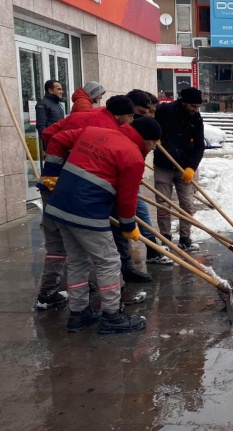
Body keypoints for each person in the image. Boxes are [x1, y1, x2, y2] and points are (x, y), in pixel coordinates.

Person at [41, 117, 162, 334]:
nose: (153, 148)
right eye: (154, 143)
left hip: (60, 205)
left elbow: (57, 139)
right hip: (87, 212)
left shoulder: (92, 131)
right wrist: (128, 225)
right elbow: (127, 199)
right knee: (109, 262)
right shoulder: (133, 157)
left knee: (78, 261)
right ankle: (112, 316)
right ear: (146, 139)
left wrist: (51, 172)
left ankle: (78, 314)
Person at [154, 87, 205, 252]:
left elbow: (199, 146)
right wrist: (154, 137)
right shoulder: (164, 111)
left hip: (184, 168)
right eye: (193, 106)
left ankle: (185, 237)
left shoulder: (196, 119)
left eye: (198, 107)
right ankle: (165, 239)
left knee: (187, 204)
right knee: (163, 204)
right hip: (163, 164)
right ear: (183, 102)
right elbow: (151, 123)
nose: (195, 110)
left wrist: (192, 167)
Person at [125, 89, 173, 266]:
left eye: (152, 112)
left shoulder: (141, 128)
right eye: (143, 112)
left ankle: (151, 249)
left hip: (128, 177)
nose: (148, 117)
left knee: (139, 209)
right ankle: (147, 251)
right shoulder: (127, 127)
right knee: (135, 211)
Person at [35, 80, 65, 150]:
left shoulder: (58, 104)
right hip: (51, 144)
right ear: (50, 91)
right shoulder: (43, 104)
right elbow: (41, 126)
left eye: (61, 89)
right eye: (59, 89)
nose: (61, 92)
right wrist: (48, 141)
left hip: (61, 141)